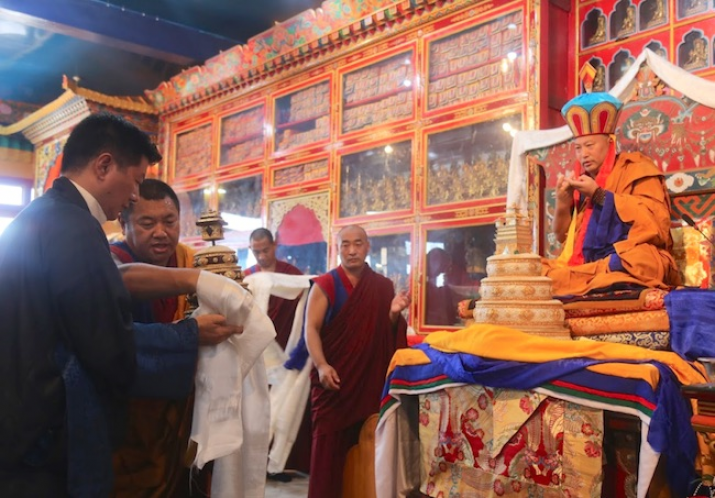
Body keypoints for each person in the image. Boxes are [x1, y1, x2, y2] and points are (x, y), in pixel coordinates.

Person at [0, 113, 240, 497]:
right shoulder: (74, 227)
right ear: (104, 165)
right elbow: (105, 345)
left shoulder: (44, 216)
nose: (133, 194)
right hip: (43, 437)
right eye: (137, 180)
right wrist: (189, 335)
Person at [304, 225, 410, 497]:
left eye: (358, 244)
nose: (352, 250)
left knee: (368, 452)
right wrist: (321, 365)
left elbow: (383, 334)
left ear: (367, 247)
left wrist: (394, 314)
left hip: (367, 387)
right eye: (346, 244)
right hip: (334, 387)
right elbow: (311, 329)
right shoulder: (325, 285)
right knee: (328, 458)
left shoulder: (382, 286)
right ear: (337, 248)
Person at [543, 92, 680, 296]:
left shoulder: (636, 167)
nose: (583, 155)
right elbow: (563, 239)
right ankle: (590, 278)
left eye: (590, 146)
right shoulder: (582, 181)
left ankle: (579, 279)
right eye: (578, 148)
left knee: (643, 260)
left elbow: (655, 224)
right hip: (594, 265)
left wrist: (599, 195)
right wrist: (563, 203)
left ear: (609, 143)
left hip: (624, 257)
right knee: (536, 268)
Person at [109, 179, 196, 497]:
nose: (161, 232)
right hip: (128, 417)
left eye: (169, 221)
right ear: (124, 223)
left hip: (182, 413)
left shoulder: (189, 259)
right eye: (147, 223)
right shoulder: (110, 259)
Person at [244, 228, 303, 350]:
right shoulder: (246, 277)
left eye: (266, 250)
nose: (261, 257)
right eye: (256, 252)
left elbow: (305, 305)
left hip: (285, 341)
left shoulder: (291, 274)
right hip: (256, 342)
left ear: (274, 245)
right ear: (250, 249)